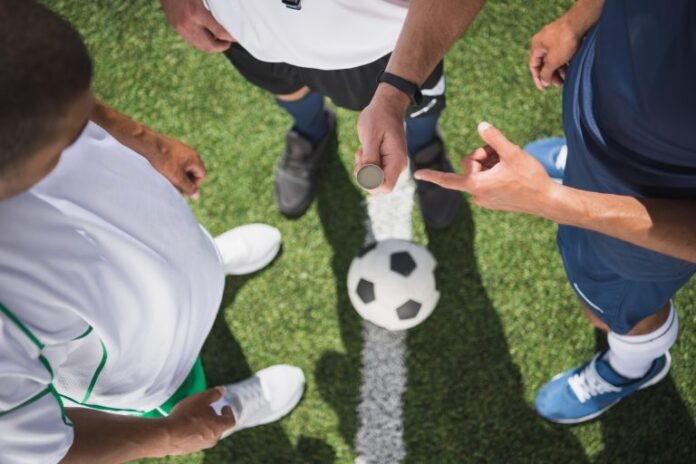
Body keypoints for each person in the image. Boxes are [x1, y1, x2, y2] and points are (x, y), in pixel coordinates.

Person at [0, 1, 304, 462]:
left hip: (165, 241)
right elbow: (42, 448)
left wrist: (147, 142)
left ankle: (206, 264)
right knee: (177, 385)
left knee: (182, 253)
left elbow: (36, 86)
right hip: (143, 359)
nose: (82, 136)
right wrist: (174, 434)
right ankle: (216, 405)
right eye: (67, 143)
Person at [414, 0, 696, 423]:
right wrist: (578, 18)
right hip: (605, 113)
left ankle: (633, 368)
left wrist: (552, 201)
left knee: (611, 309)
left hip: (647, 212)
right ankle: (578, 161)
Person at [159, 0, 486, 229]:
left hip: (377, 44)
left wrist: (398, 88)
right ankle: (312, 131)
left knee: (411, 110)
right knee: (288, 90)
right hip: (241, 26)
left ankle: (424, 147)